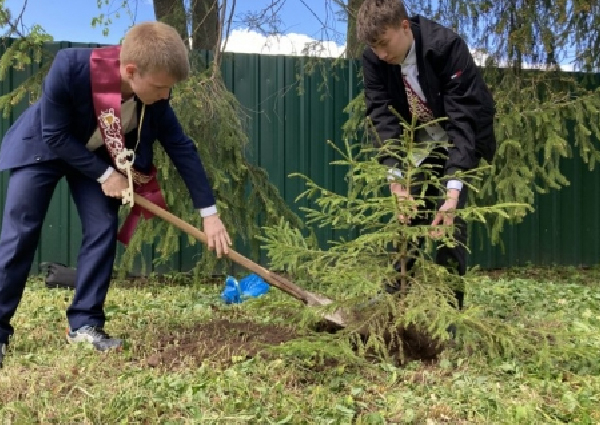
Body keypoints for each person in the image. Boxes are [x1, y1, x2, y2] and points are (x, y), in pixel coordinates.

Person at [0, 21, 232, 367]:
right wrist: (106, 174)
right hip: (45, 147)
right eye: (160, 87)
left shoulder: (154, 97)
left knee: (102, 228)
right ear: (131, 70)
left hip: (94, 158)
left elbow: (182, 148)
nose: (165, 96)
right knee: (21, 233)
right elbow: (55, 134)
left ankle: (85, 324)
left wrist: (209, 213)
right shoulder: (71, 66)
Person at [356, 0, 497, 311]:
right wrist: (396, 180)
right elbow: (381, 115)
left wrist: (452, 193)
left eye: (384, 43)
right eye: (373, 46)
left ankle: (449, 311)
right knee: (410, 216)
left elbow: (464, 121)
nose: (381, 54)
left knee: (451, 223)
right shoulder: (374, 59)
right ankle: (394, 303)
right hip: (419, 140)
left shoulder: (446, 47)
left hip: (461, 134)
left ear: (404, 27)